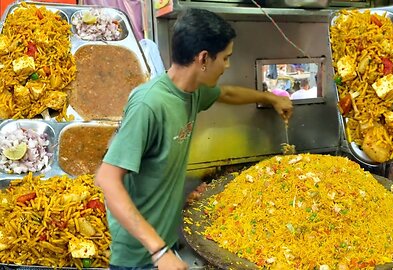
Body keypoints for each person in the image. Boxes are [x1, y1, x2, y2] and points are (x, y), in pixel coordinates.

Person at [94, 8, 293, 270]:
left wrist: (270, 98)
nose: (228, 65)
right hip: (137, 256)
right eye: (226, 58)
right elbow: (107, 179)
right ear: (203, 58)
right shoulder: (149, 104)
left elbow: (227, 94)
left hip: (164, 243)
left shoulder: (192, 92)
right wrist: (159, 252)